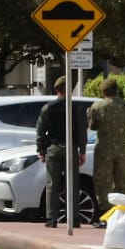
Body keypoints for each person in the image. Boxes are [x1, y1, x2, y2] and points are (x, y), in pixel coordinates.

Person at [36, 77, 85, 228]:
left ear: (56, 90)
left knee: (52, 184)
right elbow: (82, 131)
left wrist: (41, 150)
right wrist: (82, 151)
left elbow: (40, 131)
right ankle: (74, 219)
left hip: (54, 149)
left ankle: (51, 219)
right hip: (71, 149)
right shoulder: (76, 107)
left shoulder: (47, 108)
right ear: (69, 89)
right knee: (73, 184)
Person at [87, 78, 125, 213]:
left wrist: (89, 115)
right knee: (121, 182)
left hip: (104, 149)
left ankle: (107, 212)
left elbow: (93, 126)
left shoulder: (98, 106)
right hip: (123, 149)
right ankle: (122, 210)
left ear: (103, 91)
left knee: (103, 182)